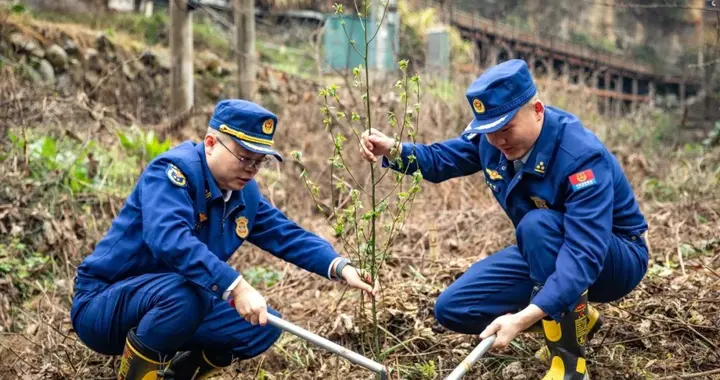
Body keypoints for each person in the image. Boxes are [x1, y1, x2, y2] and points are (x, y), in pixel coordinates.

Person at [359, 59, 649, 379]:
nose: (497, 141)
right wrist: (393, 150)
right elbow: (442, 159)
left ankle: (569, 365)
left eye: (506, 128)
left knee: (537, 224)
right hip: (545, 249)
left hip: (613, 257)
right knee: (455, 308)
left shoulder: (580, 156)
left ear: (537, 109)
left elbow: (584, 254)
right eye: (490, 131)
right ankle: (577, 315)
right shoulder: (494, 141)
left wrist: (523, 318)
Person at [71, 99, 378, 380]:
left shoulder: (245, 195)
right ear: (210, 143)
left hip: (172, 305)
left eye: (259, 162)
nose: (251, 170)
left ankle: (176, 376)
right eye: (244, 158)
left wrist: (340, 267)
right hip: (104, 303)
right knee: (186, 294)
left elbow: (287, 235)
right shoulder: (173, 173)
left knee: (261, 325)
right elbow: (169, 239)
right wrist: (237, 287)